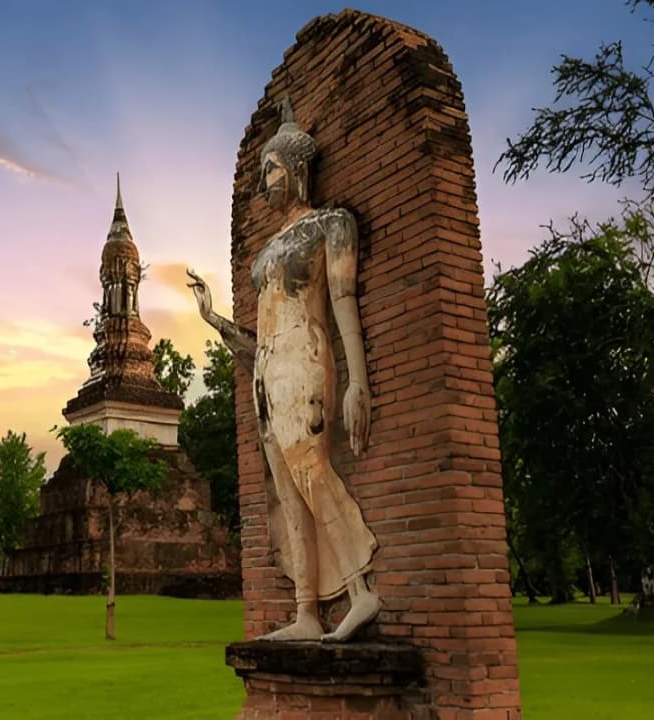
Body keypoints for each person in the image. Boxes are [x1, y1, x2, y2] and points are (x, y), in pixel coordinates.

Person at [187, 99, 380, 642]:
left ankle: (362, 591)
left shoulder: (330, 226)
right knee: (286, 490)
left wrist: (358, 381)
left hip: (307, 359)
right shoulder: (268, 251)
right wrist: (215, 320)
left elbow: (342, 300)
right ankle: (306, 611)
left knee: (312, 470)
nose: (264, 180)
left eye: (271, 169)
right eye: (262, 170)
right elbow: (259, 340)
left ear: (296, 169)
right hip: (267, 372)